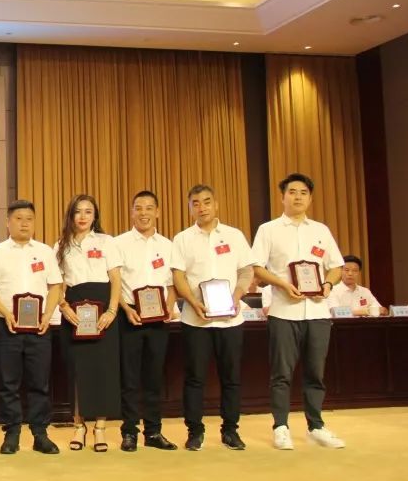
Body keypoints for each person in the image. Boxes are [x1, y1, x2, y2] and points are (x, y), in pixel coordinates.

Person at [252, 173, 346, 450]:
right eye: (292, 192)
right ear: (282, 196)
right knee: (281, 374)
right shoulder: (268, 230)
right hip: (284, 311)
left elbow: (336, 266)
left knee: (315, 373)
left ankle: (316, 427)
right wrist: (283, 284)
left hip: (317, 312)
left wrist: (327, 284)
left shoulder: (321, 230)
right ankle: (281, 427)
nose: (297, 197)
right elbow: (256, 268)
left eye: (303, 193)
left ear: (310, 198)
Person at [171, 184, 253, 452]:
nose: (202, 207)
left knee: (231, 378)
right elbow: (178, 276)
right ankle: (195, 431)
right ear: (190, 208)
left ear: (216, 204)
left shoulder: (234, 235)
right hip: (196, 320)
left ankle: (230, 431)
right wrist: (192, 301)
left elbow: (246, 271)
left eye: (207, 202)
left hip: (230, 320)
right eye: (195, 203)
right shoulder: (182, 239)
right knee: (194, 378)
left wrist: (237, 296)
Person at [0, 199, 62, 455]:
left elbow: (55, 286)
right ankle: (12, 433)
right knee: (8, 383)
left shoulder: (45, 252)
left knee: (40, 382)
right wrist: (5, 312)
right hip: (7, 326)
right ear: (8, 222)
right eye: (18, 219)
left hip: (39, 327)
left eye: (29, 219)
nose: (24, 224)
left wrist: (47, 314)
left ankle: (40, 434)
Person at [54, 195, 122, 453]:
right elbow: (57, 283)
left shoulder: (106, 242)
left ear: (95, 216)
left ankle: (100, 428)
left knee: (103, 369)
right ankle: (79, 426)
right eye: (78, 211)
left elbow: (116, 279)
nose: (83, 217)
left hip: (103, 310)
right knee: (77, 370)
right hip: (74, 311)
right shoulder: (61, 245)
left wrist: (112, 310)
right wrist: (63, 307)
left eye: (88, 212)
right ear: (71, 215)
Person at [114, 191, 179, 452]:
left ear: (157, 212)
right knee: (129, 378)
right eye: (138, 208)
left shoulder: (169, 245)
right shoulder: (118, 243)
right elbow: (113, 283)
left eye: (149, 208)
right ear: (131, 212)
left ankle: (153, 432)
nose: (144, 213)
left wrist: (169, 307)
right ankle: (129, 432)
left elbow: (173, 284)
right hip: (129, 314)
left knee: (154, 377)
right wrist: (125, 309)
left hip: (159, 317)